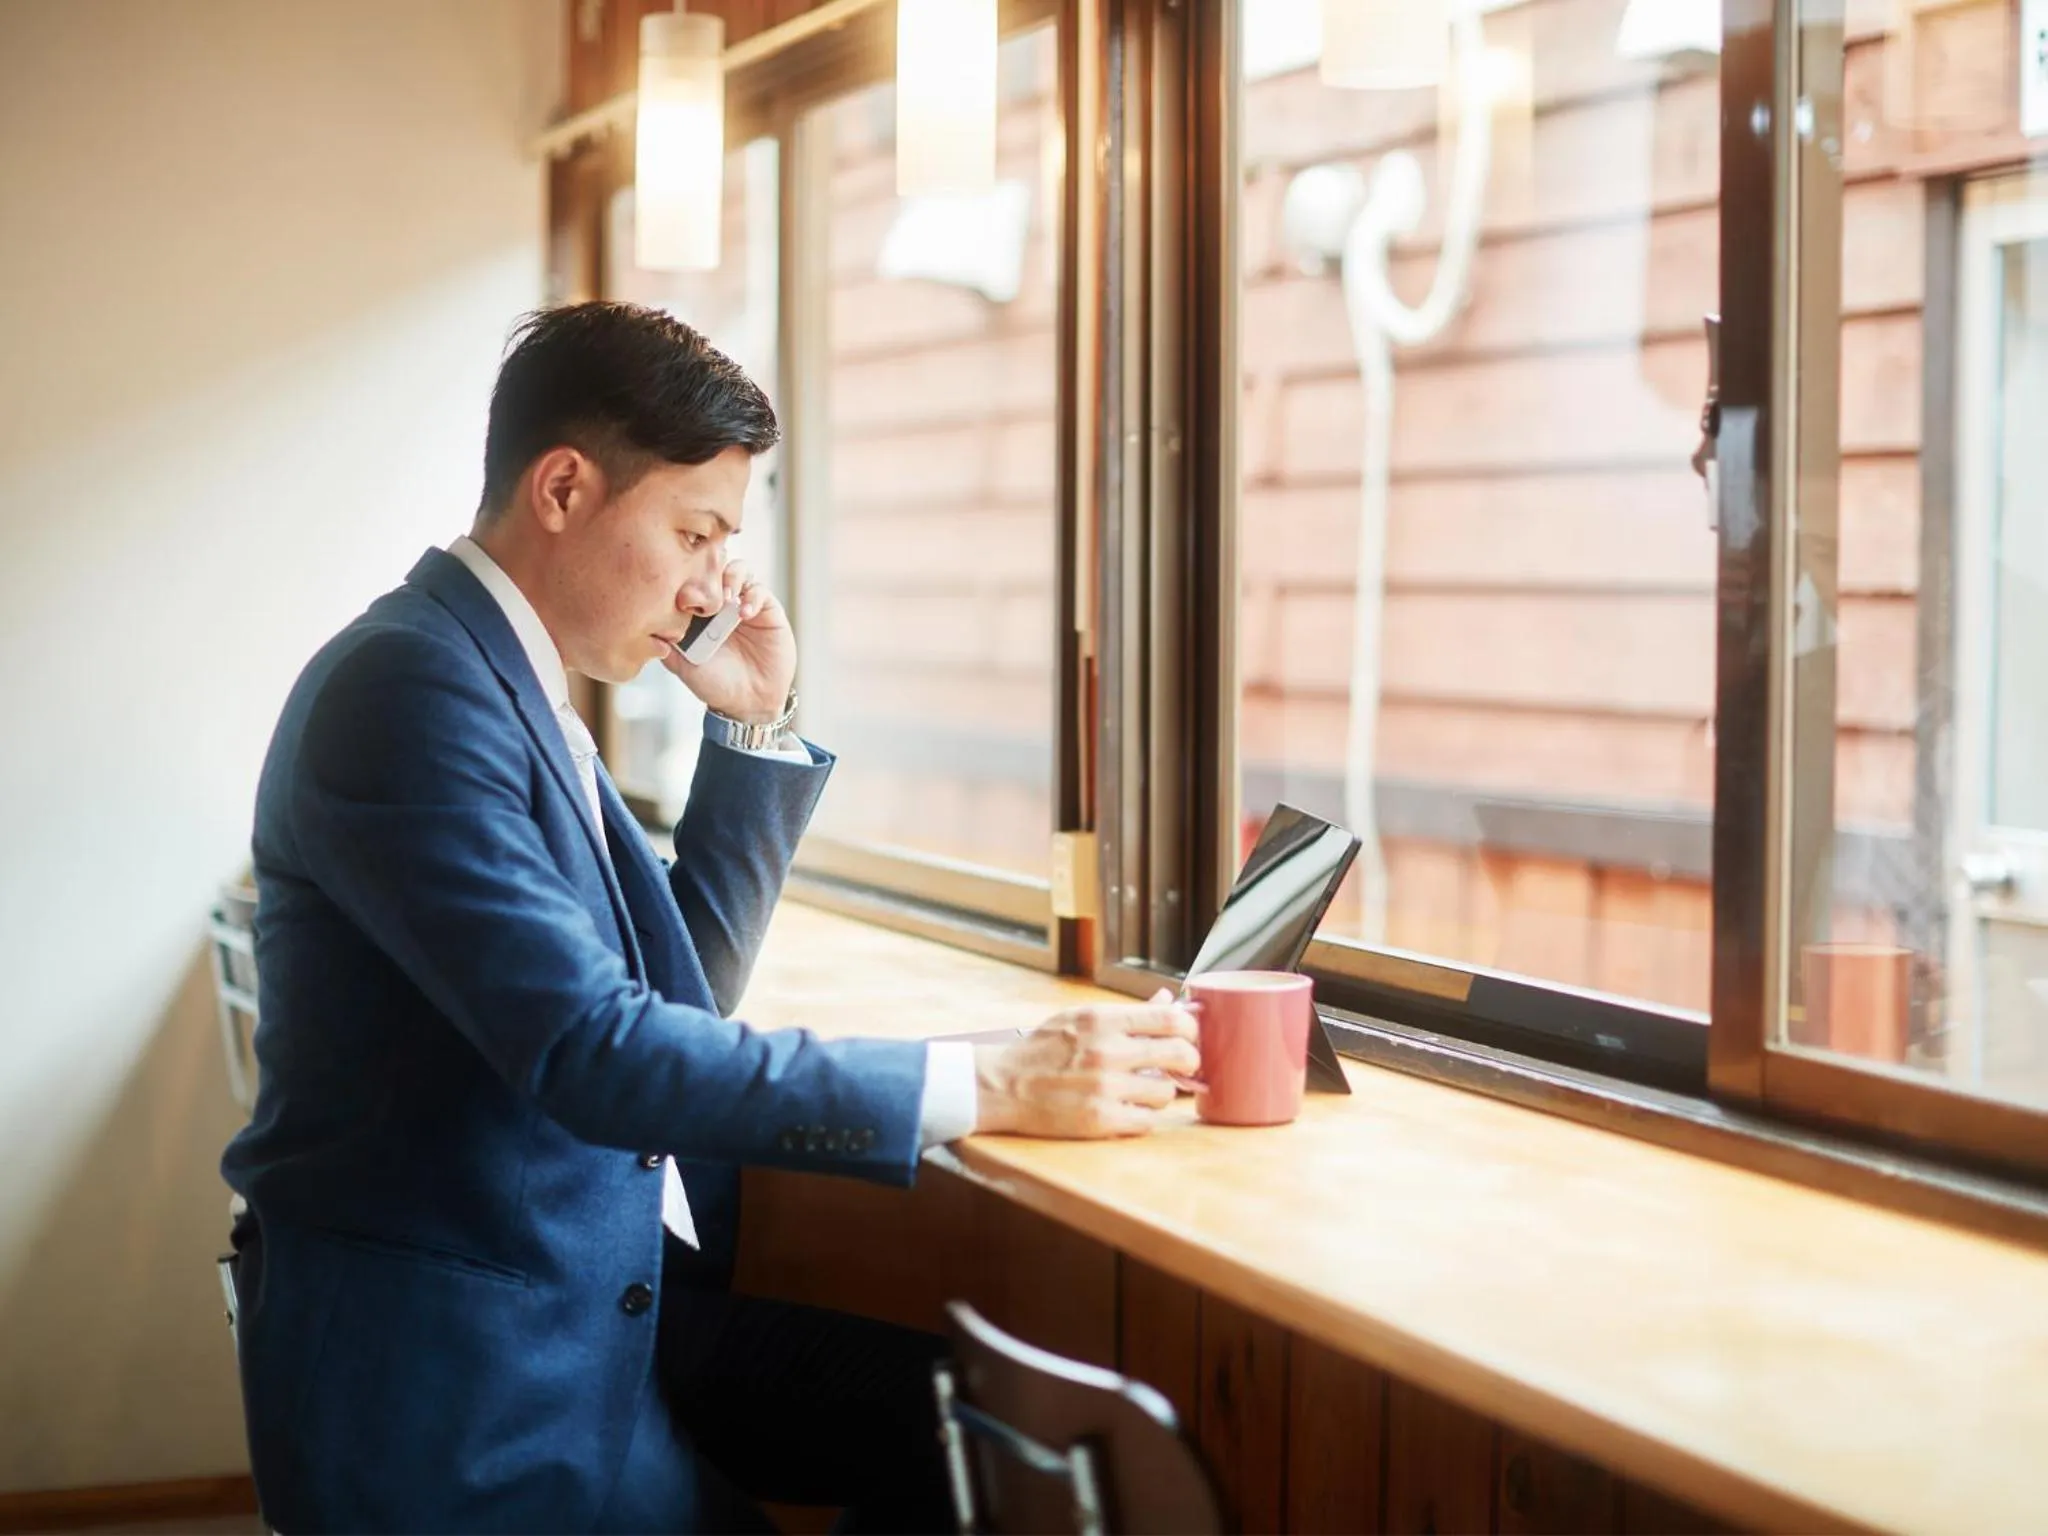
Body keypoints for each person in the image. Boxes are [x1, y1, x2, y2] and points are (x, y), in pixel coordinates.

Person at [219, 301, 1199, 1534]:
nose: (703, 594)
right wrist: (987, 1084)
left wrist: (751, 724)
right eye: (694, 533)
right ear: (564, 487)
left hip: (593, 1309)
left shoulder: (499, 681)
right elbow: (592, 1053)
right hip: (465, 1384)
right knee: (954, 1443)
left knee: (944, 1422)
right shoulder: (408, 689)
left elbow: (669, 998)